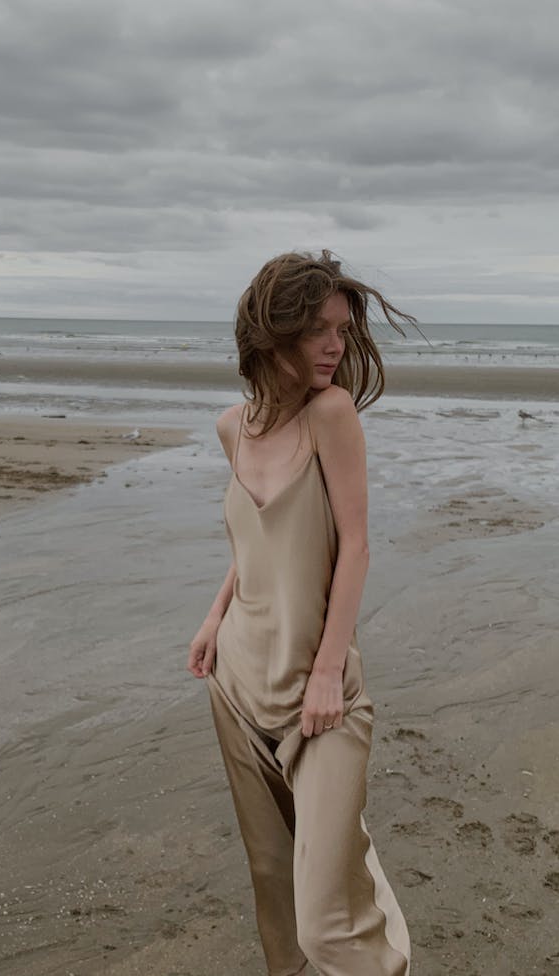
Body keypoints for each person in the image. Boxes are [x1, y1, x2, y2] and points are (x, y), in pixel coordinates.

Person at [187, 250, 420, 976]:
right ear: (274, 329)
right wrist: (212, 615)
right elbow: (256, 544)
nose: (334, 346)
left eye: (342, 332)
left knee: (329, 929)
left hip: (318, 698)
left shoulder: (332, 413)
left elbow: (354, 548)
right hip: (236, 681)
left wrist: (327, 674)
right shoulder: (233, 427)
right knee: (276, 901)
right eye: (319, 329)